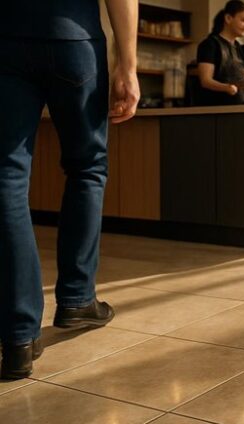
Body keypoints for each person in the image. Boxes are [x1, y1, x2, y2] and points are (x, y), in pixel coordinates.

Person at [0, 0, 140, 379]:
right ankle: (77, 298)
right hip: (74, 38)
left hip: (7, 40)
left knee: (7, 178)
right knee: (87, 168)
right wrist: (127, 64)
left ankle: (17, 335)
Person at [195, 1, 244, 106]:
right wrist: (226, 88)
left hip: (240, 108)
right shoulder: (209, 45)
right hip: (216, 110)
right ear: (228, 19)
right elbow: (205, 80)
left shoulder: (238, 47)